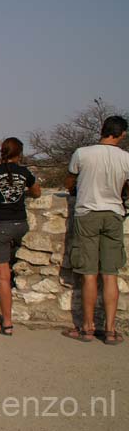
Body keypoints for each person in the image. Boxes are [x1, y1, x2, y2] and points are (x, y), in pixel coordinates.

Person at [63, 116, 129, 345]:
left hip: (87, 213)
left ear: (103, 130)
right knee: (110, 274)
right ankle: (110, 330)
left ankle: (87, 327)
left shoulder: (82, 153)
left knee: (88, 274)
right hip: (113, 214)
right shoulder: (126, 158)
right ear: (122, 134)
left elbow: (70, 182)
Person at [0, 138, 41, 336]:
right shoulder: (24, 173)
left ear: (2, 152)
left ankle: (6, 322)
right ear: (19, 153)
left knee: (3, 278)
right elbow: (37, 192)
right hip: (20, 224)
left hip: (0, 226)